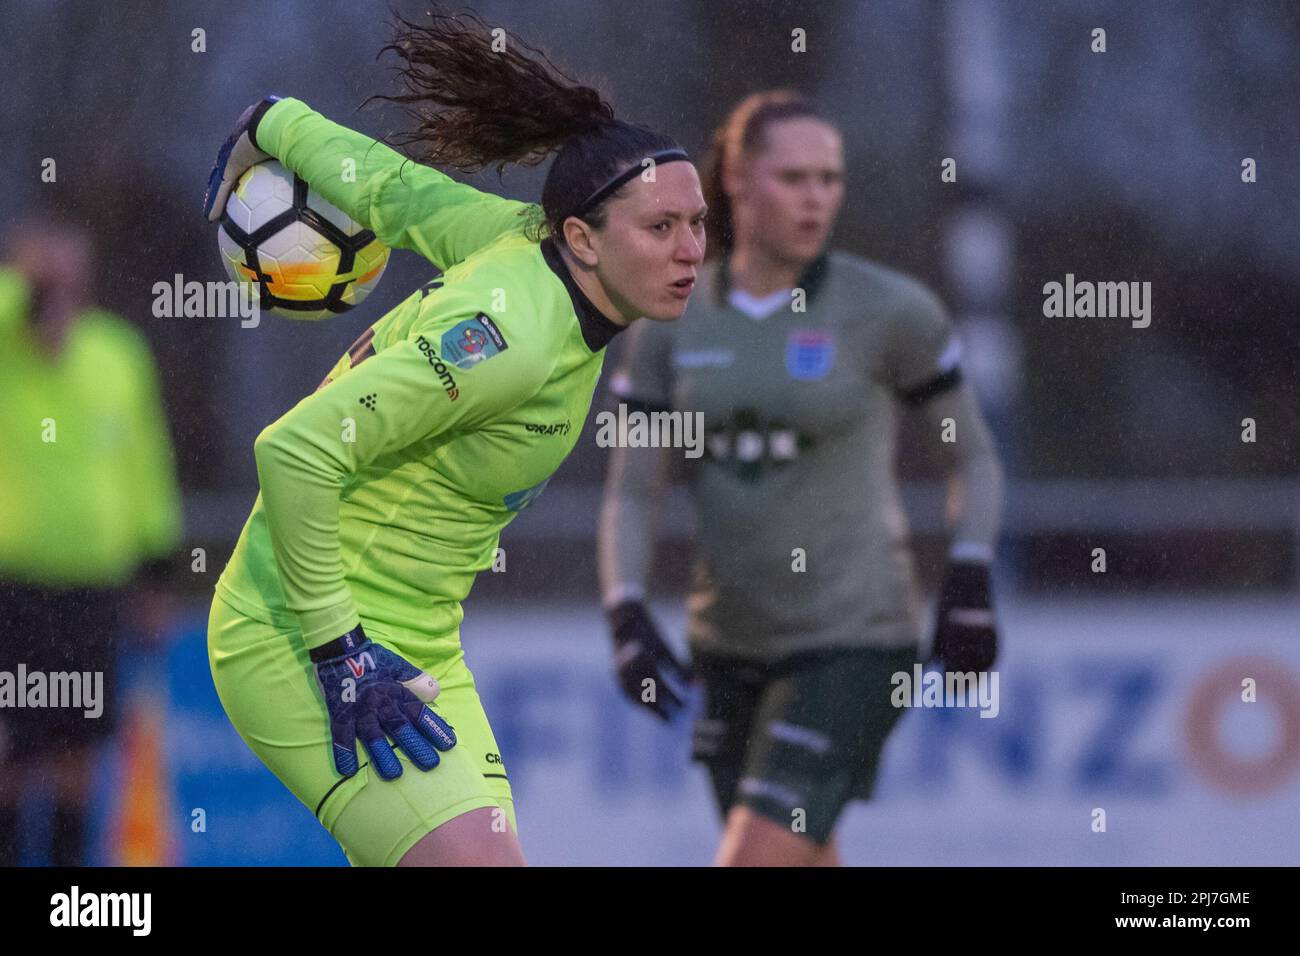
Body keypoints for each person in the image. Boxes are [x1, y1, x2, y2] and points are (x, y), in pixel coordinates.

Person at [203, 9, 706, 867]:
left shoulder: (517, 243)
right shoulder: (507, 340)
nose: (690, 249)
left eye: (698, 223)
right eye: (662, 229)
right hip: (299, 639)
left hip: (418, 644)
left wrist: (274, 122)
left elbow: (391, 192)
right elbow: (293, 451)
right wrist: (341, 653)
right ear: (582, 239)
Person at [598, 90, 1004, 866]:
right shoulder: (667, 324)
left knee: (753, 860)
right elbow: (633, 486)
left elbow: (973, 458)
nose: (818, 197)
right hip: (727, 646)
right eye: (795, 178)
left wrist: (971, 573)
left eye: (830, 178)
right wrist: (624, 611)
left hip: (853, 644)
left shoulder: (890, 311)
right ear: (739, 180)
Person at [0, 220, 183, 866]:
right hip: (13, 586)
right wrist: (23, 297)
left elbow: (144, 464)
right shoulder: (6, 348)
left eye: (67, 272)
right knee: (14, 751)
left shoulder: (117, 352)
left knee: (80, 752)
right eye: (43, 273)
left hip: (94, 589)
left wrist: (157, 569)